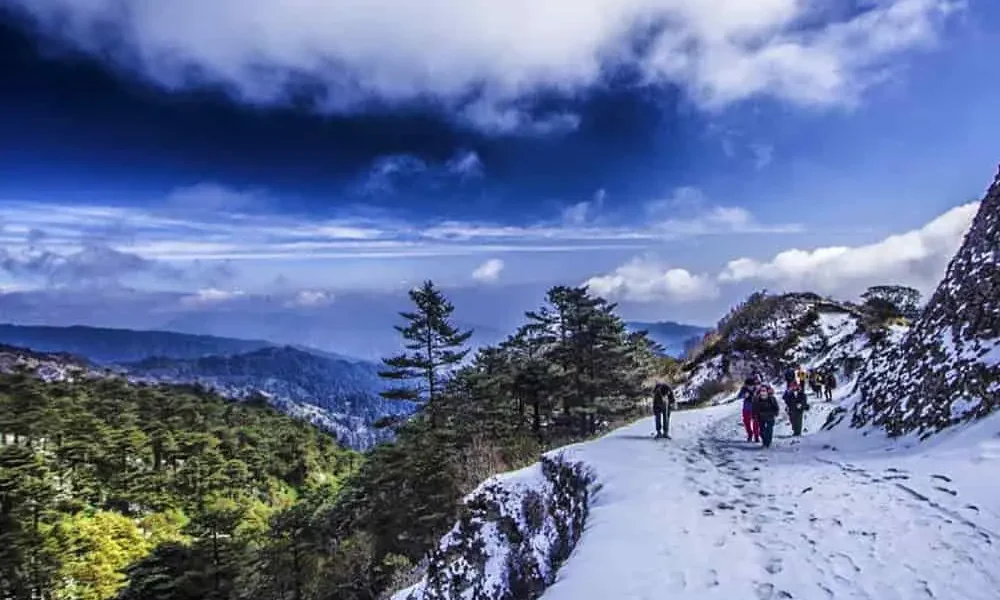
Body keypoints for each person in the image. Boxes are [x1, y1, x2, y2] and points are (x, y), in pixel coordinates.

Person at [753, 384, 781, 448]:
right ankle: (765, 441)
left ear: (767, 392)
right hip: (761, 417)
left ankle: (768, 442)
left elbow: (776, 408)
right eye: (761, 391)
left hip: (770, 417)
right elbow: (754, 408)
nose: (763, 393)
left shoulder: (772, 399)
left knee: (769, 430)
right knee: (762, 431)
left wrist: (775, 413)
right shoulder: (757, 399)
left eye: (764, 391)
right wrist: (754, 416)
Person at [738, 377, 760, 443]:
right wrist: (744, 395)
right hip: (746, 408)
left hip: (755, 408)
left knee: (756, 423)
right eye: (748, 385)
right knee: (746, 422)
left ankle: (756, 436)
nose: (749, 387)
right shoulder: (744, 389)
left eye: (751, 385)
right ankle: (750, 434)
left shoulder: (757, 389)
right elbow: (739, 396)